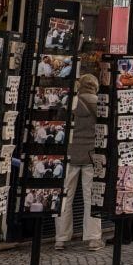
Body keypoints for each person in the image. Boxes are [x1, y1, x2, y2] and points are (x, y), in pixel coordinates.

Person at [55, 73, 103, 251]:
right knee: (91, 198)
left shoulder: (70, 103)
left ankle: (61, 238)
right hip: (91, 155)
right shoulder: (100, 104)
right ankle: (93, 238)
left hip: (70, 154)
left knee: (65, 197)